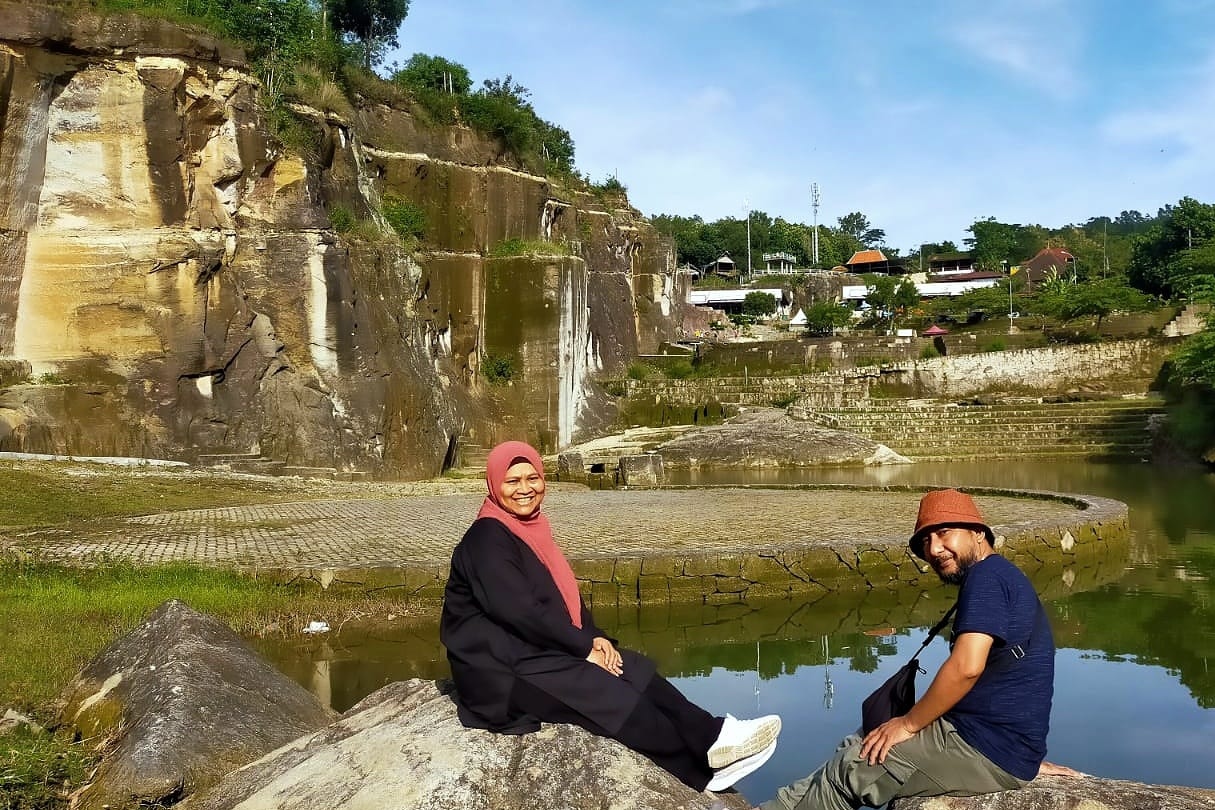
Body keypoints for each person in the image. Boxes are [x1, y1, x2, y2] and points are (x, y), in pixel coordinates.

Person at [441, 440, 782, 793]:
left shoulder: (528, 529)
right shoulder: (486, 539)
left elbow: (560, 596)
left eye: (532, 478)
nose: (525, 489)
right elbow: (520, 610)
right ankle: (699, 773)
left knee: (628, 667)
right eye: (512, 482)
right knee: (607, 693)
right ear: (494, 485)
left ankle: (712, 736)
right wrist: (581, 648)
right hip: (501, 670)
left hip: (529, 650)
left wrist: (596, 637)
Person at [760, 489, 1056, 810]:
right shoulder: (1000, 575)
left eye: (944, 533)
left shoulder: (986, 579)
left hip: (987, 746)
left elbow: (967, 667)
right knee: (862, 741)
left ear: (978, 533)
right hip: (987, 735)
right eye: (926, 541)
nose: (935, 549)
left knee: (852, 770)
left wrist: (908, 724)